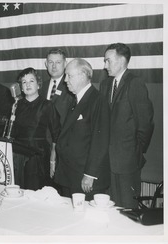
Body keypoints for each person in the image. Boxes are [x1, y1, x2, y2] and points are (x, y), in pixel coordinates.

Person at [99, 43, 154, 208]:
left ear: (122, 61)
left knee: (127, 210)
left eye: (108, 61)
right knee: (108, 208)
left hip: (128, 162)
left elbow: (145, 124)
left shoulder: (134, 83)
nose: (105, 65)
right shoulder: (105, 85)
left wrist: (135, 152)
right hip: (106, 162)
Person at [54, 58, 110, 200]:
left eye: (69, 75)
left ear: (83, 75)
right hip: (70, 175)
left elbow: (100, 140)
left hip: (84, 179)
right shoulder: (75, 100)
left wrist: (90, 175)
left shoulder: (97, 100)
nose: (65, 80)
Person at [12, 67, 61, 190]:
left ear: (38, 85)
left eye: (31, 81)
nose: (27, 84)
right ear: (21, 87)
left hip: (37, 156)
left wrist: (52, 161)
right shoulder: (16, 106)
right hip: (17, 156)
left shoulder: (47, 105)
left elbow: (56, 134)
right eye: (24, 82)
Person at [41, 48, 75, 126]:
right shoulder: (41, 87)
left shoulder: (71, 87)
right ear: (46, 64)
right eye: (50, 62)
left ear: (65, 64)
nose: (54, 66)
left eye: (58, 62)